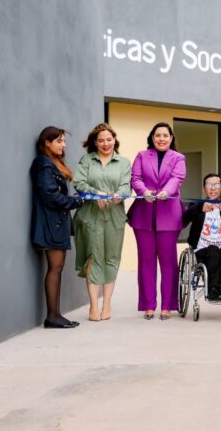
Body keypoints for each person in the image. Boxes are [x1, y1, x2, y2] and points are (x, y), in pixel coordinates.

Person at [73, 123, 131, 322]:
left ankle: (107, 305)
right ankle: (93, 306)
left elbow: (126, 186)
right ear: (95, 143)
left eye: (109, 139)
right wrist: (96, 193)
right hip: (91, 215)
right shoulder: (87, 160)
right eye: (101, 140)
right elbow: (79, 183)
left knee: (111, 258)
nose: (105, 144)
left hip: (115, 215)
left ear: (114, 140)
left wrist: (118, 196)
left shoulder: (123, 162)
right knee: (93, 256)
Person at [128, 122, 186, 321]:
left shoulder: (178, 158)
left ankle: (167, 305)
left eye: (165, 135)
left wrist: (165, 192)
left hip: (169, 215)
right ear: (152, 138)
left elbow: (177, 179)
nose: (161, 139)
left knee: (169, 262)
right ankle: (148, 305)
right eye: (157, 135)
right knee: (146, 261)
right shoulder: (142, 156)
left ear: (171, 138)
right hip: (143, 215)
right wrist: (143, 192)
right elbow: (135, 178)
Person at [30, 126, 84, 329]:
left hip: (57, 223)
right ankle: (52, 316)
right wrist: (76, 202)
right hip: (51, 224)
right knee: (55, 268)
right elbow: (50, 196)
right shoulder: (44, 165)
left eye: (64, 141)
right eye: (59, 141)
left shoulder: (52, 163)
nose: (63, 145)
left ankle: (55, 314)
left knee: (57, 268)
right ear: (47, 142)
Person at [183, 173, 221, 300]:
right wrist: (199, 207)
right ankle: (212, 290)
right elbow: (185, 218)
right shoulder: (197, 205)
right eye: (209, 185)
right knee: (213, 251)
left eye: (216, 185)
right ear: (204, 188)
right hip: (202, 248)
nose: (213, 188)